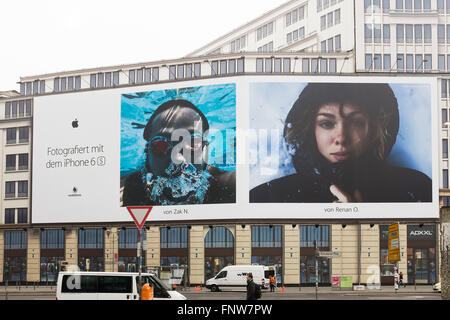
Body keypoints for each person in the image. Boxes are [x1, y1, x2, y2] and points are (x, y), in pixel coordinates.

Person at [250, 83, 432, 203]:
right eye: (327, 124)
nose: (341, 138)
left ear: (377, 129)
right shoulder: (268, 196)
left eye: (356, 123)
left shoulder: (417, 189)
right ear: (309, 129)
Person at [122, 99, 236, 206]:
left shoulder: (229, 186)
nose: (178, 159)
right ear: (147, 153)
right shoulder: (132, 187)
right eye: (161, 145)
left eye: (192, 144)